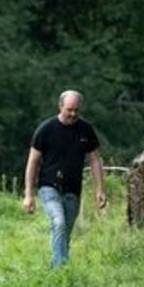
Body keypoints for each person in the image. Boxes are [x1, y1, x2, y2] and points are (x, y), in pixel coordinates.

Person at [22, 90, 107, 268]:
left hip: (73, 190)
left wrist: (100, 190)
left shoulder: (85, 130)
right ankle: (61, 272)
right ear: (60, 106)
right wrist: (28, 194)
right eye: (69, 110)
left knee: (64, 233)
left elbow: (94, 160)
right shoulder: (46, 129)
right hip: (49, 187)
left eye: (76, 110)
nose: (73, 114)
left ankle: (57, 271)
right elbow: (33, 162)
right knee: (58, 223)